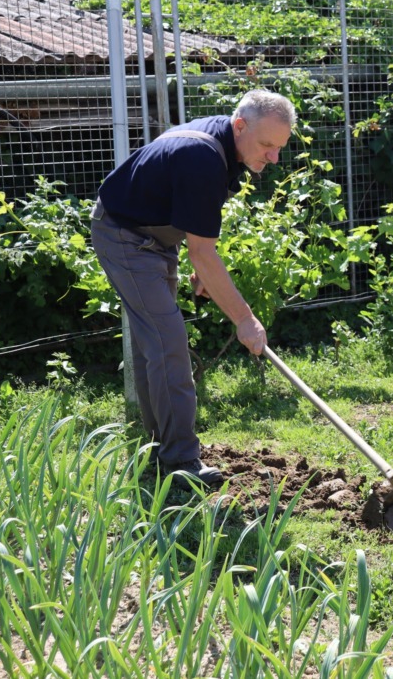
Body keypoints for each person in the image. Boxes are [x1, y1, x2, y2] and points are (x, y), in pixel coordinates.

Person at [90, 89, 296, 486]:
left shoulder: (227, 147)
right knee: (168, 342)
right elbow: (203, 250)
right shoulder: (202, 156)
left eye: (279, 148)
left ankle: (158, 448)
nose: (274, 158)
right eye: (267, 146)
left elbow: (188, 217)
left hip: (156, 238)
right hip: (124, 237)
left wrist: (200, 259)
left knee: (157, 343)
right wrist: (245, 319)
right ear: (240, 126)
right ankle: (181, 462)